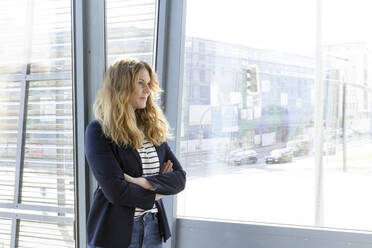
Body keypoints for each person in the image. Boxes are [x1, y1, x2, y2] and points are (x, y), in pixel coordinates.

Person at [85, 58, 186, 248]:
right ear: (121, 86)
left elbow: (180, 178)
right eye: (140, 83)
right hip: (115, 235)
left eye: (148, 84)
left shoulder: (151, 129)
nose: (147, 90)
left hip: (153, 230)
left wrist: (143, 182)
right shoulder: (98, 131)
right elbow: (116, 192)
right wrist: (160, 188)